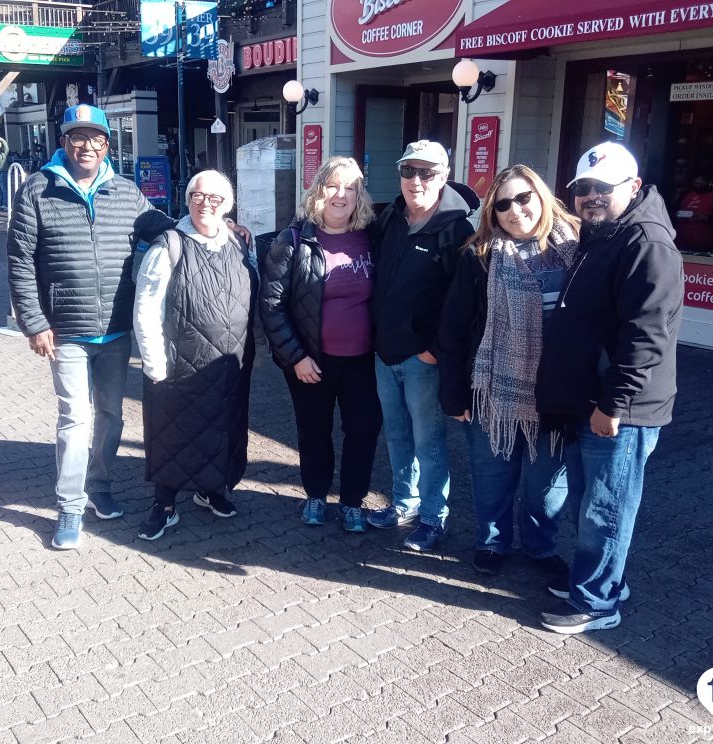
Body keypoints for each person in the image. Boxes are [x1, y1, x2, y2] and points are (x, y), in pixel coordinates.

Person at [7, 104, 172, 550]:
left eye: (95, 138)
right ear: (64, 142)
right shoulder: (38, 190)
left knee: (112, 416)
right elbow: (20, 261)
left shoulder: (125, 191)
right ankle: (70, 505)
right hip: (65, 331)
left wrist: (209, 228)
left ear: (106, 144)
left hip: (116, 330)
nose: (86, 145)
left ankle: (99, 484)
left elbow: (161, 228)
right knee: (75, 418)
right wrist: (34, 322)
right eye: (77, 137)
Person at [537, 142, 683, 634]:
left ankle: (598, 602)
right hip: (590, 399)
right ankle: (599, 581)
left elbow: (646, 335)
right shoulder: (604, 234)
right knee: (590, 500)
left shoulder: (646, 243)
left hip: (620, 409)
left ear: (634, 187)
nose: (592, 196)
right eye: (583, 189)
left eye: (604, 187)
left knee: (607, 506)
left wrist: (612, 403)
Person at [438, 165, 580, 577]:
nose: (515, 210)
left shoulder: (577, 251)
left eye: (523, 198)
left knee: (546, 484)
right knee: (492, 474)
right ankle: (492, 541)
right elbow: (453, 327)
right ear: (492, 214)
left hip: (555, 393)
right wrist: (454, 393)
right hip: (491, 390)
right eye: (503, 204)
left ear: (541, 196)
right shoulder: (479, 258)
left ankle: (539, 545)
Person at [366, 140, 479, 551]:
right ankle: (404, 504)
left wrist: (432, 349)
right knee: (396, 435)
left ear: (444, 175)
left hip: (422, 359)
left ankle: (433, 516)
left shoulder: (456, 227)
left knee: (427, 442)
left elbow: (463, 301)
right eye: (409, 171)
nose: (416, 180)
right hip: (384, 351)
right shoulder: (390, 216)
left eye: (426, 172)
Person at [132, 171, 257, 541]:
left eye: (215, 198)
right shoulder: (168, 246)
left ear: (228, 206)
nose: (205, 204)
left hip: (229, 363)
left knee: (224, 428)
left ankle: (212, 490)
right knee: (173, 434)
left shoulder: (240, 243)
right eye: (197, 196)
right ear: (187, 201)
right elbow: (146, 307)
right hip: (180, 362)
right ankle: (164, 505)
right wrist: (153, 360)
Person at [260, 156, 382, 532]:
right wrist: (295, 356)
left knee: (362, 431)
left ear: (360, 194)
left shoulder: (374, 237)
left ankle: (352, 501)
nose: (341, 194)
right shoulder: (293, 240)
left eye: (350, 187)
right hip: (311, 360)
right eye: (333, 185)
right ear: (318, 191)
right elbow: (272, 305)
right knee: (314, 431)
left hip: (363, 360)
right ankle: (315, 494)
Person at [674, 174, 713, 251]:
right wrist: (679, 215)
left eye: (700, 184)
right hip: (681, 238)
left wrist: (704, 217)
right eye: (695, 184)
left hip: (704, 241)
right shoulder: (685, 194)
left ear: (706, 182)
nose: (697, 186)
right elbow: (673, 211)